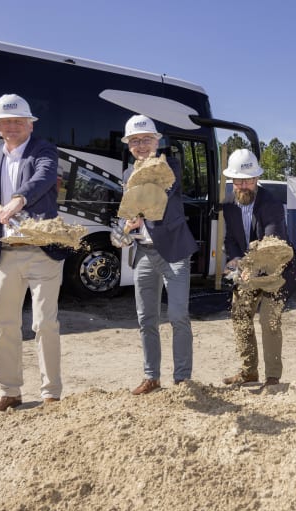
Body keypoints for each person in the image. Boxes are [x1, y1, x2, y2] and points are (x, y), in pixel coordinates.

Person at [0, 93, 66, 411]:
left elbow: (44, 177)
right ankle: (9, 390)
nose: (11, 127)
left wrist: (18, 199)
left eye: (18, 121)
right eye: (5, 122)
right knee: (5, 324)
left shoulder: (44, 150)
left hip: (42, 251)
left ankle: (51, 394)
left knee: (44, 324)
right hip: (7, 252)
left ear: (30, 124)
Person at [120, 114, 198, 395]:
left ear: (157, 141)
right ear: (129, 146)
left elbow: (157, 194)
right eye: (135, 141)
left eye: (146, 139)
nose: (141, 145)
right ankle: (151, 376)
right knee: (146, 319)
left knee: (178, 315)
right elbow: (127, 209)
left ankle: (182, 379)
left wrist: (136, 211)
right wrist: (125, 225)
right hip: (144, 253)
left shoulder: (170, 165)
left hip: (174, 252)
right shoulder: (127, 175)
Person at [220, 149, 296, 387]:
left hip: (277, 269)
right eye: (238, 180)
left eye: (247, 180)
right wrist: (234, 259)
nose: (243, 185)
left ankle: (273, 377)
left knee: (269, 319)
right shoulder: (229, 206)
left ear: (256, 179)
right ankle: (248, 372)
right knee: (240, 313)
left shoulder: (271, 204)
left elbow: (271, 245)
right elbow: (231, 240)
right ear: (232, 180)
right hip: (248, 269)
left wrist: (250, 268)